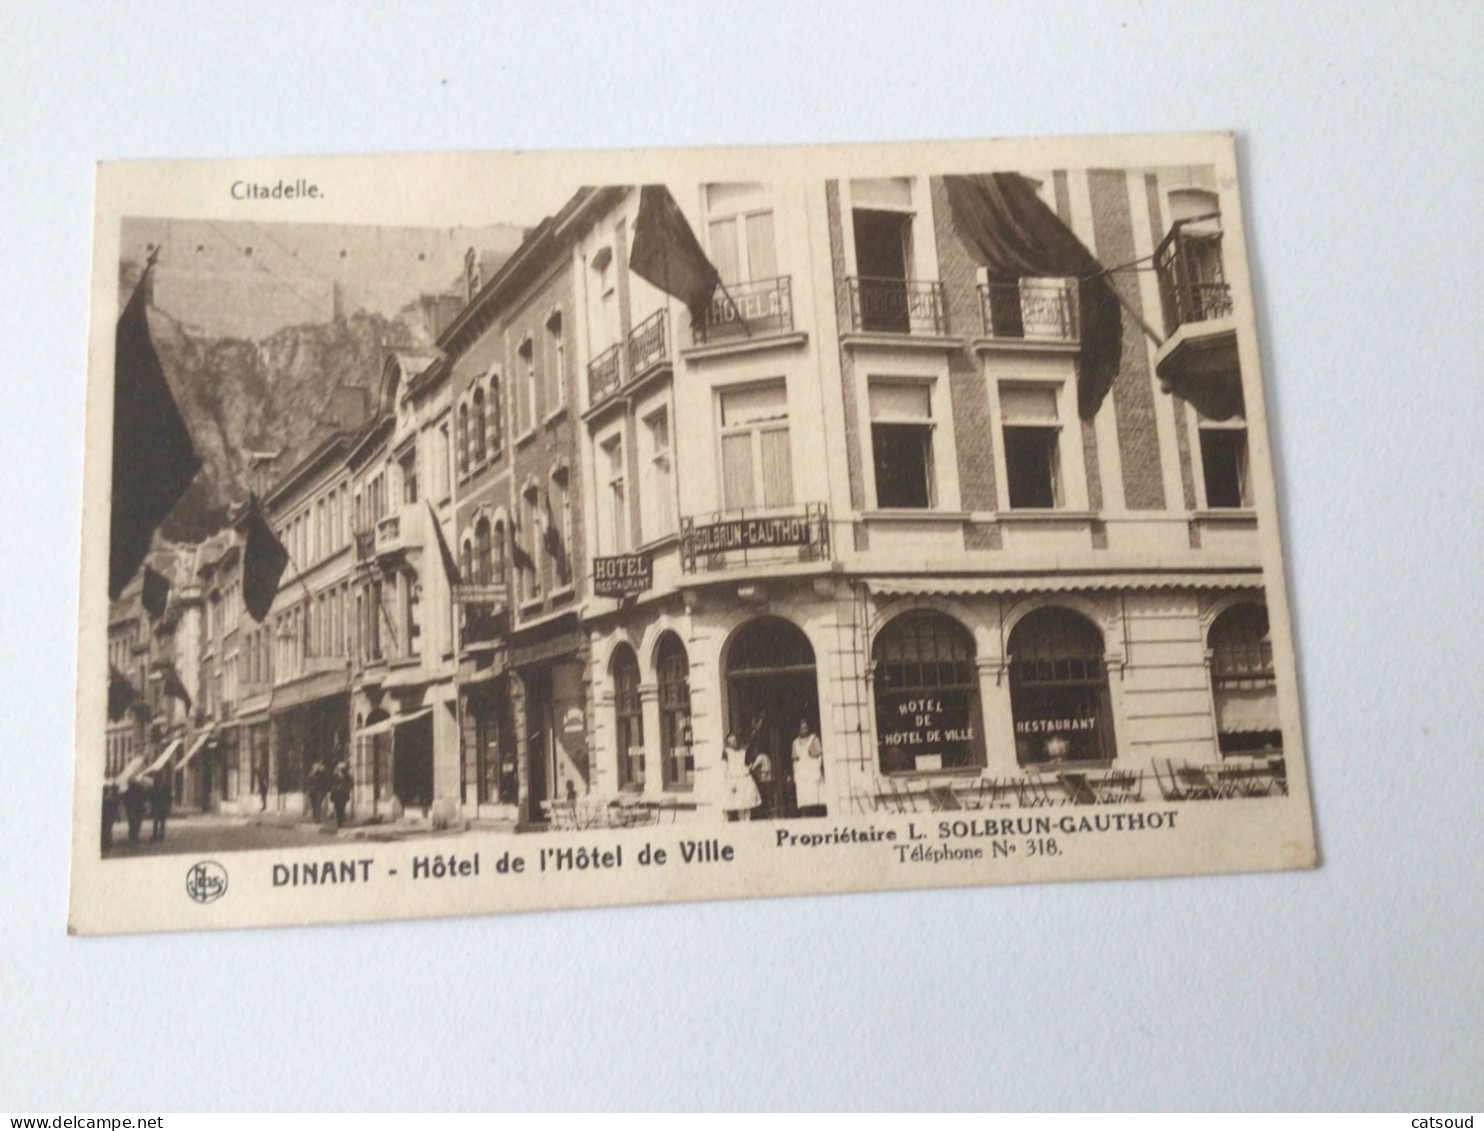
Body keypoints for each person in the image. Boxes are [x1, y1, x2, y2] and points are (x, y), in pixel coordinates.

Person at [720, 733, 761, 822]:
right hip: (734, 779)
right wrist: (729, 783)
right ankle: (740, 822)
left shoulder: (743, 752)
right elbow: (724, 769)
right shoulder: (726, 752)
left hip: (745, 778)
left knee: (747, 803)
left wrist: (749, 768)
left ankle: (747, 821)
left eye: (735, 740)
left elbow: (749, 763)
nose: (734, 743)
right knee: (738, 804)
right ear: (728, 743)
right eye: (731, 741)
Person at [791, 719, 827, 817]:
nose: (804, 730)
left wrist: (815, 769)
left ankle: (816, 815)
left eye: (805, 727)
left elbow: (819, 756)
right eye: (801, 728)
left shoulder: (813, 739)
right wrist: (796, 772)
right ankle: (805, 816)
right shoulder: (795, 742)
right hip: (801, 772)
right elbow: (795, 760)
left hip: (812, 770)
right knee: (804, 797)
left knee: (814, 795)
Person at [749, 746, 775, 820]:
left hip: (763, 778)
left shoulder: (760, 757)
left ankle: (765, 813)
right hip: (769, 777)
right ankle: (769, 812)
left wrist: (751, 765)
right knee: (769, 795)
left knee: (764, 796)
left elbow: (753, 767)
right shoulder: (767, 756)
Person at [149, 766, 172, 842]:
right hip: (158, 806)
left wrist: (168, 805)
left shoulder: (164, 786)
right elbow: (152, 795)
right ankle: (156, 835)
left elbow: (168, 796)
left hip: (160, 806)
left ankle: (159, 835)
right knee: (158, 821)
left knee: (160, 821)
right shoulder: (157, 785)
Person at [123, 774, 147, 844]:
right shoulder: (140, 790)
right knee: (137, 823)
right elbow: (144, 798)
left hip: (132, 810)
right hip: (138, 809)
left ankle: (132, 836)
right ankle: (134, 836)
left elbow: (125, 800)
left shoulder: (128, 792)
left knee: (132, 824)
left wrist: (128, 806)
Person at [329, 761, 352, 829]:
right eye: (339, 768)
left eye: (342, 768)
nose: (340, 770)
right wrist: (334, 789)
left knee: (342, 807)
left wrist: (346, 789)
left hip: (343, 794)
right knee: (337, 808)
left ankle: (340, 821)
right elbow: (331, 783)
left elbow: (350, 783)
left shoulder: (347, 775)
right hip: (336, 794)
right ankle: (339, 822)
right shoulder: (335, 775)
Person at [101, 783, 120, 853]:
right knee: (108, 830)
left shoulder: (105, 799)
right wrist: (117, 816)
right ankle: (107, 844)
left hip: (106, 817)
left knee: (105, 830)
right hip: (109, 817)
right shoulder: (109, 799)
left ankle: (106, 844)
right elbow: (115, 808)